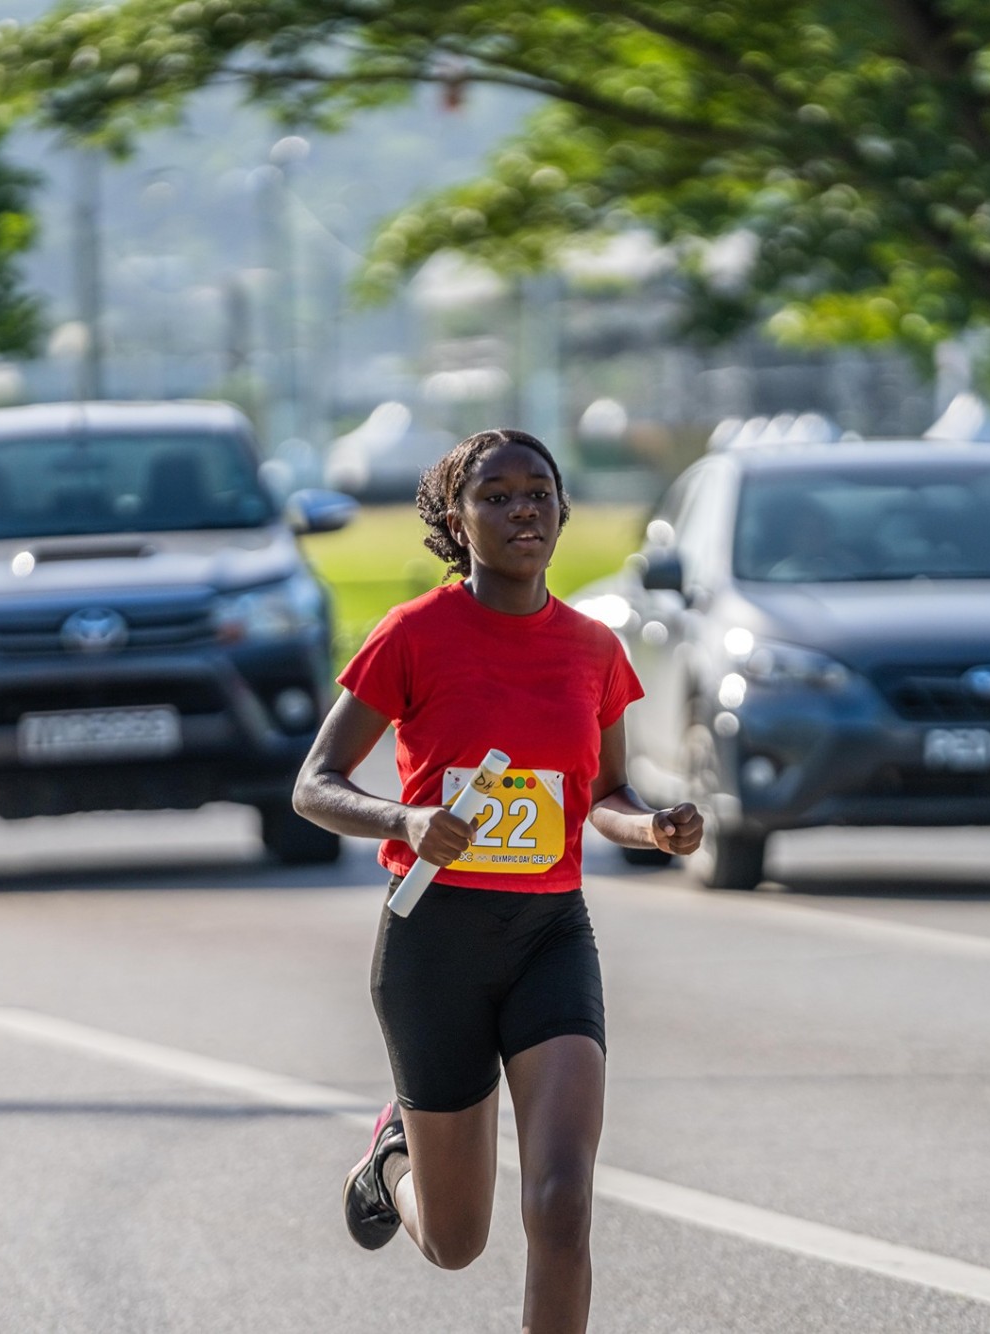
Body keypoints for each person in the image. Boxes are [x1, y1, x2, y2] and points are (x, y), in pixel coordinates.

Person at [292, 428, 702, 1334]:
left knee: (561, 1199)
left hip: (551, 937)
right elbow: (313, 785)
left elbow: (605, 795)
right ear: (456, 519)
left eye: (539, 493)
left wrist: (650, 827)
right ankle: (391, 1163)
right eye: (497, 495)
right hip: (435, 942)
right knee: (455, 1240)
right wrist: (405, 820)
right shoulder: (413, 635)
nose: (524, 510)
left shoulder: (593, 649)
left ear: (561, 509)